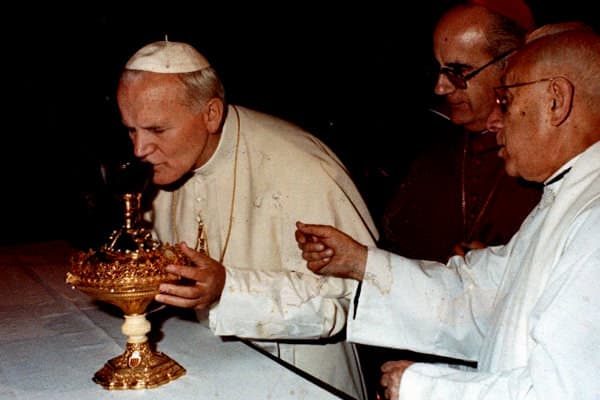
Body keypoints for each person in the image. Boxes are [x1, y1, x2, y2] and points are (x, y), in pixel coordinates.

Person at [295, 26, 600, 400]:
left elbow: (566, 392)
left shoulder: (594, 218)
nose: (493, 122)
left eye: (504, 101)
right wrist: (360, 263)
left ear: (556, 100)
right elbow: (479, 298)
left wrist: (423, 388)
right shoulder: (566, 196)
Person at [115, 39, 379, 399]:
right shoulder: (162, 168)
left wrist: (228, 288)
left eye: (157, 130)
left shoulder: (302, 167)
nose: (139, 150)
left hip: (302, 377)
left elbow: (355, 300)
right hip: (209, 364)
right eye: (131, 129)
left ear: (211, 114)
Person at [380, 1, 542, 263]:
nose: (440, 88)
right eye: (439, 70)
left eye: (457, 72)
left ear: (511, 62)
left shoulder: (548, 156)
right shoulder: (432, 149)